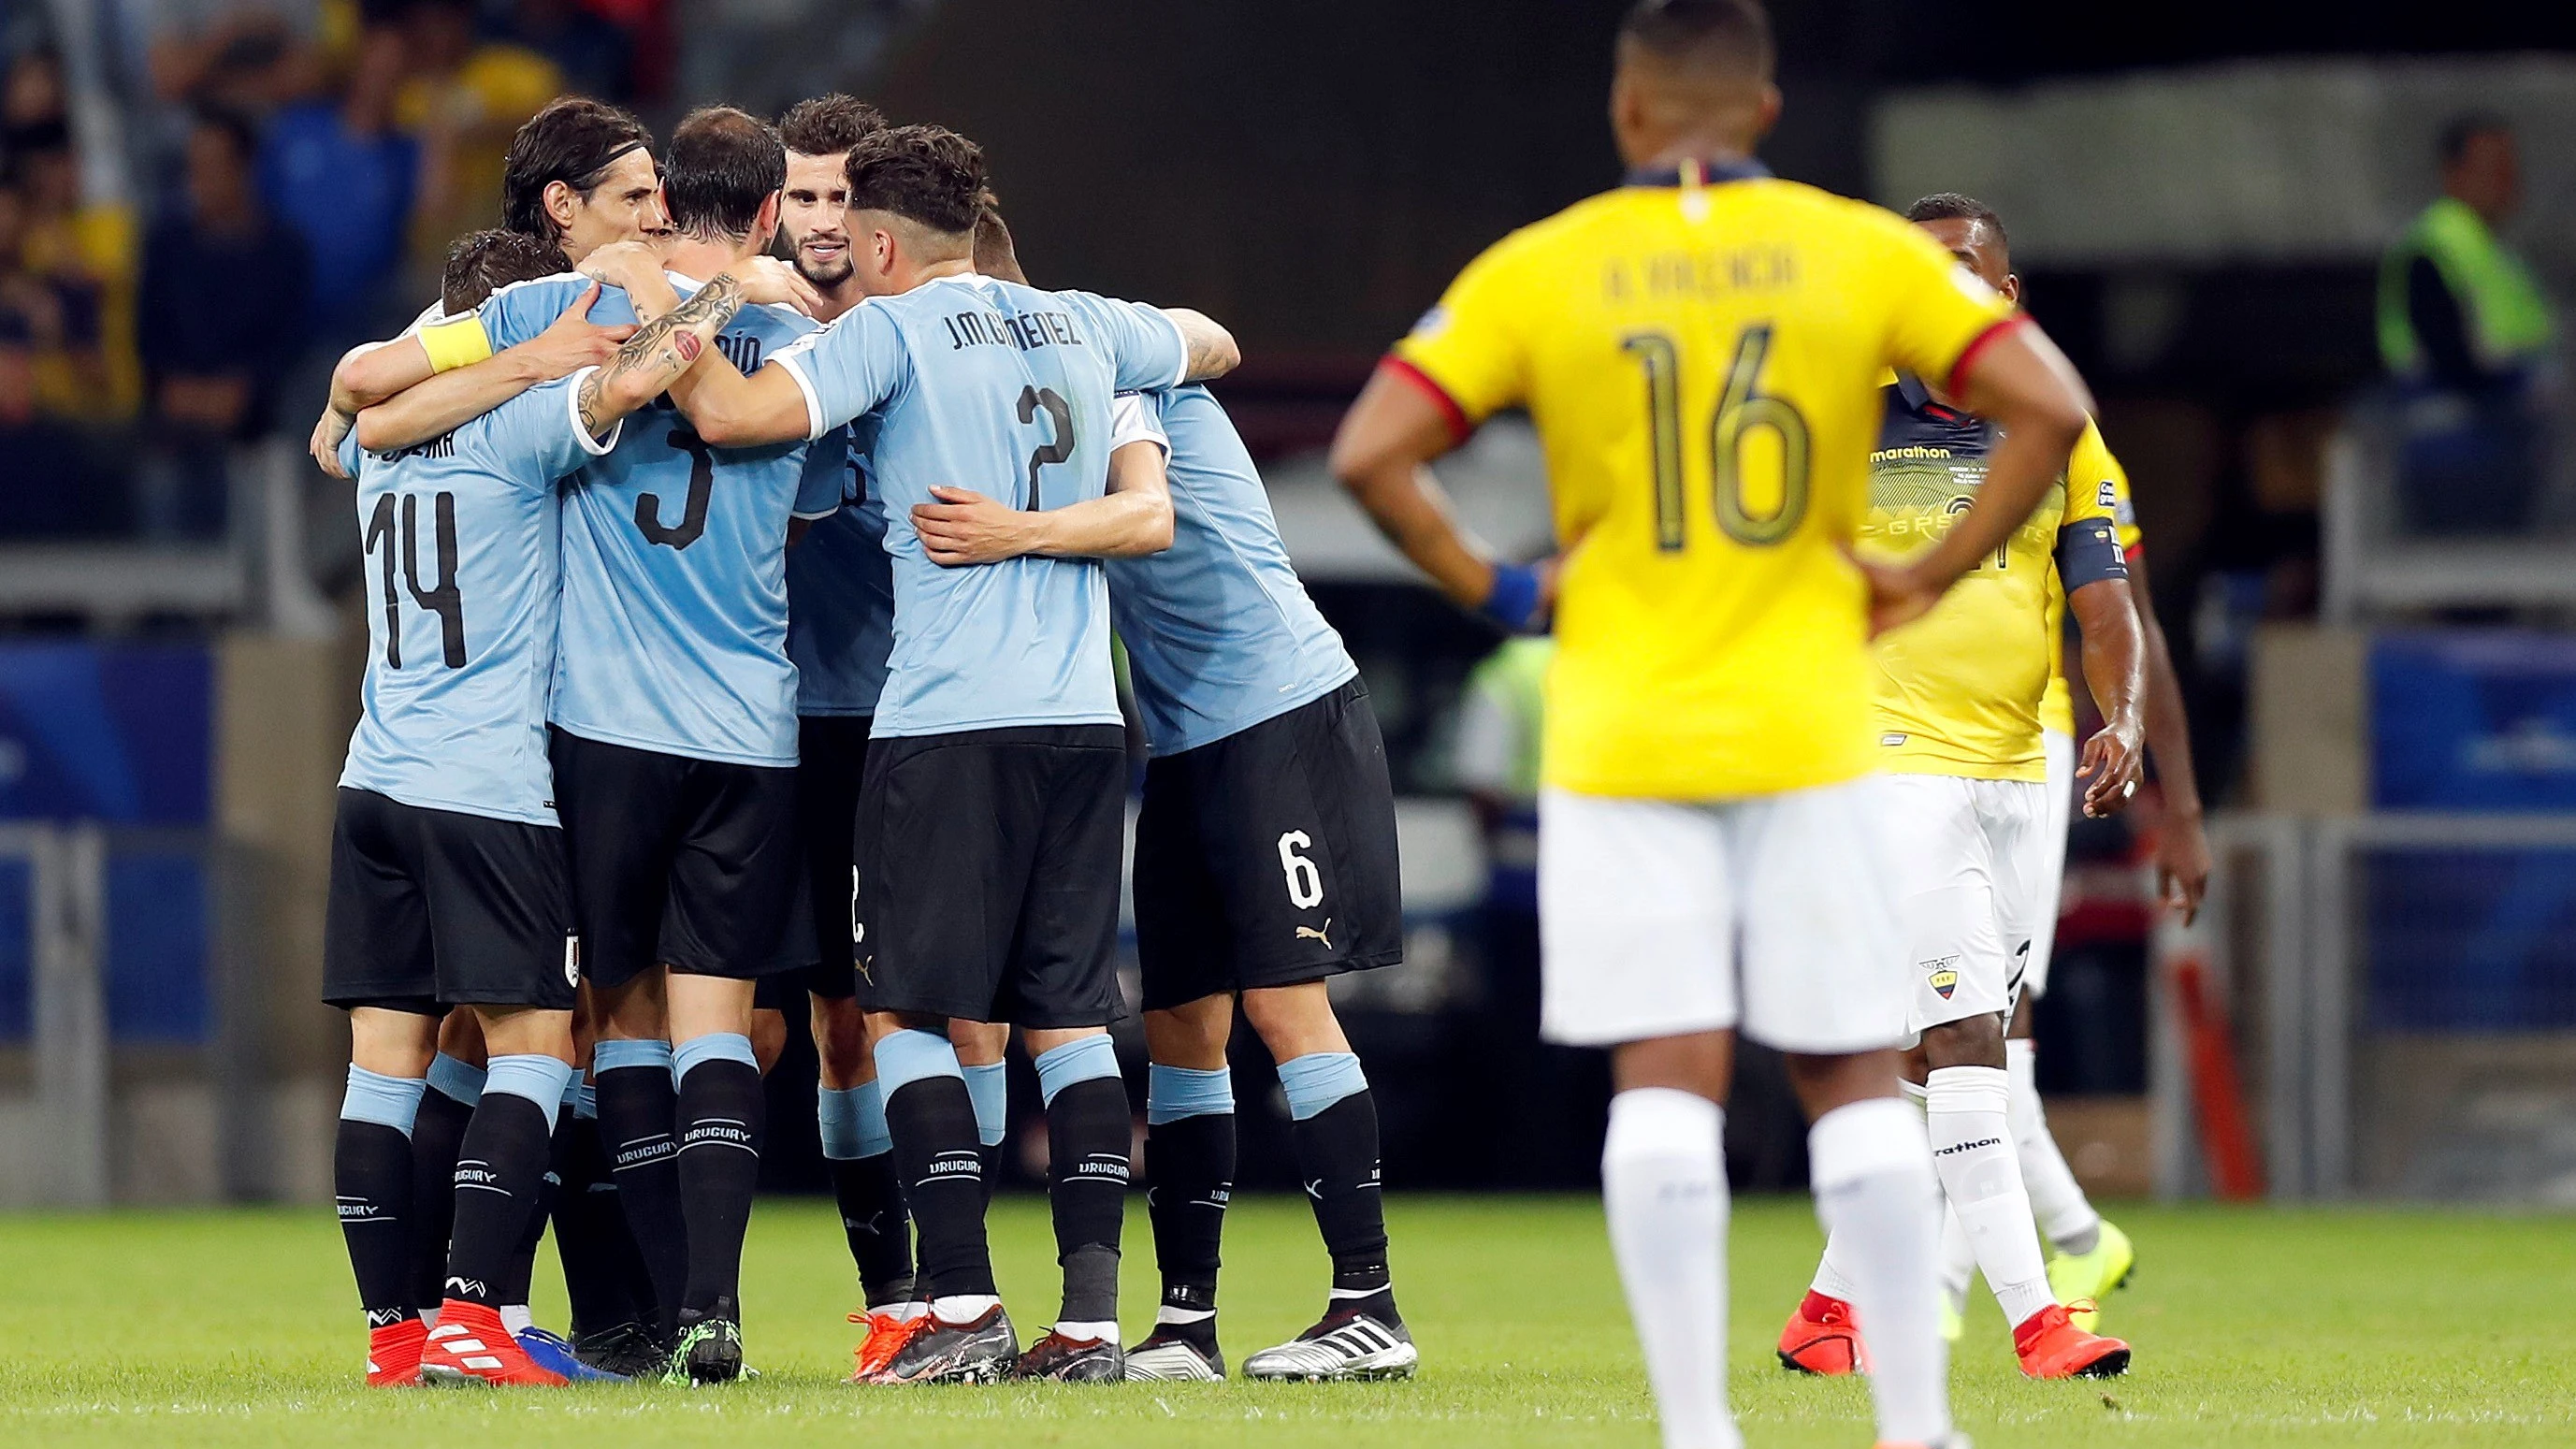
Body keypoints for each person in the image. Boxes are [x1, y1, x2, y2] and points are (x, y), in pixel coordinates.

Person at [1325, 3, 2099, 1444]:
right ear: (1763, 109)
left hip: (1623, 728)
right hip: (1813, 719)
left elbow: (1375, 450)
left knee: (1662, 1078)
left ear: (1625, 108)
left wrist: (1503, 589)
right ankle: (1917, 1427)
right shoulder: (1853, 250)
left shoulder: (1544, 265)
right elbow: (2043, 403)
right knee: (1852, 1076)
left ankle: (1695, 1430)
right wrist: (1923, 569)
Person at [656, 122, 1239, 1384]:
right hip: (1085, 720)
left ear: (874, 240)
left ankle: (960, 1307)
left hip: (946, 721)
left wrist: (704, 298)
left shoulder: (886, 328)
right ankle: (1088, 1323)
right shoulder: (1084, 321)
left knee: (911, 1010)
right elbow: (1210, 343)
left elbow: (733, 414)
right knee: (1069, 1020)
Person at [355, 107, 846, 1385]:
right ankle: (684, 1307)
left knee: (568, 1033)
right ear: (760, 214)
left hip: (578, 729)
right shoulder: (790, 331)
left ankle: (455, 1315)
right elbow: (804, 484)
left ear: (667, 200)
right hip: (742, 723)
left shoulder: (535, 312)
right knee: (704, 1031)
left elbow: (367, 394)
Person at [953, 219, 1414, 1383]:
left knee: (1283, 1006)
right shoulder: (1069, 373)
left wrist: (1007, 530)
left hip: (1279, 710)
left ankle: (1371, 1305)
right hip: (1187, 737)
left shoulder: (1101, 362)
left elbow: (1186, 408)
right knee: (1180, 1026)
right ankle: (1186, 1328)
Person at [323, 226, 747, 1388]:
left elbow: (349, 409)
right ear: (512, 326)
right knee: (537, 1045)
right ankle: (471, 1317)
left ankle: (393, 1336)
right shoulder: (517, 431)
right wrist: (670, 287)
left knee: (383, 1061)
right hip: (485, 789)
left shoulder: (378, 445)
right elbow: (651, 370)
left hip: (375, 779)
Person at [1774, 192, 2140, 1383]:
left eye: (1961, 268)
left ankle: (1828, 1309)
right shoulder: (1842, 424)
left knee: (1942, 1062)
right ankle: (2043, 1318)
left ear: (2008, 293)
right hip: (1886, 769)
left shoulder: (2061, 429)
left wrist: (2120, 715)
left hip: (2014, 774)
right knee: (1967, 1031)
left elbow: (2105, 604)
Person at [2378, 114, 2557, 536]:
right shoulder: (2436, 249)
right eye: (2492, 168)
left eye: (2510, 168)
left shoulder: (2499, 255)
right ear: (2452, 173)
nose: (2507, 180)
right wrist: (2523, 387)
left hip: (2511, 448)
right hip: (2457, 448)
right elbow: (2450, 357)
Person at [137, 108, 311, 540]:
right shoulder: (166, 245)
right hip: (175, 411)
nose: (202, 180)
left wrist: (246, 390)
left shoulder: (284, 252)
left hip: (259, 413)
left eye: (214, 166)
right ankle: (169, 603)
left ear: (245, 168)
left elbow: (291, 344)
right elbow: (149, 334)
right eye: (194, 168)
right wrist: (173, 388)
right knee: (159, 477)